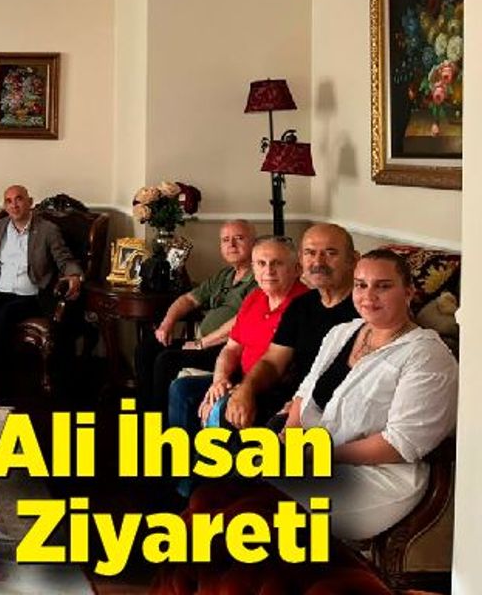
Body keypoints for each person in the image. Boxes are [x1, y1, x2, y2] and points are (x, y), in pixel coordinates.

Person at [273, 250, 457, 541]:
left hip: (376, 477)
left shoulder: (427, 355)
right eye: (361, 285)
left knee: (260, 507)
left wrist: (316, 455)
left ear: (408, 292)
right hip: (312, 456)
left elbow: (398, 444)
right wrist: (290, 439)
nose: (368, 296)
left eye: (383, 286)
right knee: (221, 491)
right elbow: (305, 391)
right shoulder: (341, 332)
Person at [221, 224, 359, 429]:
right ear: (301, 260)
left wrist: (302, 405)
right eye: (310, 253)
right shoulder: (301, 305)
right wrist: (246, 389)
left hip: (331, 408)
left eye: (330, 253)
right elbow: (272, 362)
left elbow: (357, 380)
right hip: (290, 397)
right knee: (229, 413)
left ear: (353, 260)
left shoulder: (364, 309)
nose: (318, 262)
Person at [168, 235, 308, 434]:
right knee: (181, 389)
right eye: (261, 264)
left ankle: (212, 452)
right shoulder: (255, 297)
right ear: (254, 268)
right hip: (240, 378)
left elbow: (289, 372)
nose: (268, 271)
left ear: (297, 269)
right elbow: (231, 348)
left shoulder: (304, 305)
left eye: (277, 263)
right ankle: (179, 452)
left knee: (220, 408)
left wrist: (242, 389)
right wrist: (219, 381)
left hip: (270, 388)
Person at [0, 185, 83, 401]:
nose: (14, 205)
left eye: (19, 199)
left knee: (5, 314)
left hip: (31, 295)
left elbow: (65, 259)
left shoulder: (47, 230)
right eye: (8, 201)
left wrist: (74, 275)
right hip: (1, 291)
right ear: (4, 205)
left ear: (30, 202)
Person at [139, 220, 256, 410]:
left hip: (226, 349)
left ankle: (158, 423)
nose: (231, 244)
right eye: (225, 240)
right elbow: (188, 299)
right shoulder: (225, 275)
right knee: (148, 347)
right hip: (204, 341)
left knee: (166, 361)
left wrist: (202, 344)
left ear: (254, 243)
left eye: (239, 238)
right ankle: (145, 414)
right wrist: (167, 323)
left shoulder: (260, 278)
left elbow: (243, 323)